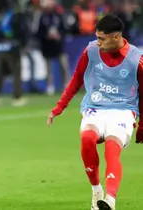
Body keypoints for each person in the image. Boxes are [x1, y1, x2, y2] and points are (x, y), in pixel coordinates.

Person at [47, 14, 143, 210]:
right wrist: (59, 107)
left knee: (111, 150)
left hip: (123, 110)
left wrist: (142, 126)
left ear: (116, 37)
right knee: (87, 139)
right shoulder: (90, 50)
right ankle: (96, 191)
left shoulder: (136, 59)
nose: (97, 43)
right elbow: (76, 79)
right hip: (95, 107)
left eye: (102, 38)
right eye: (97, 37)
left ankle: (110, 200)